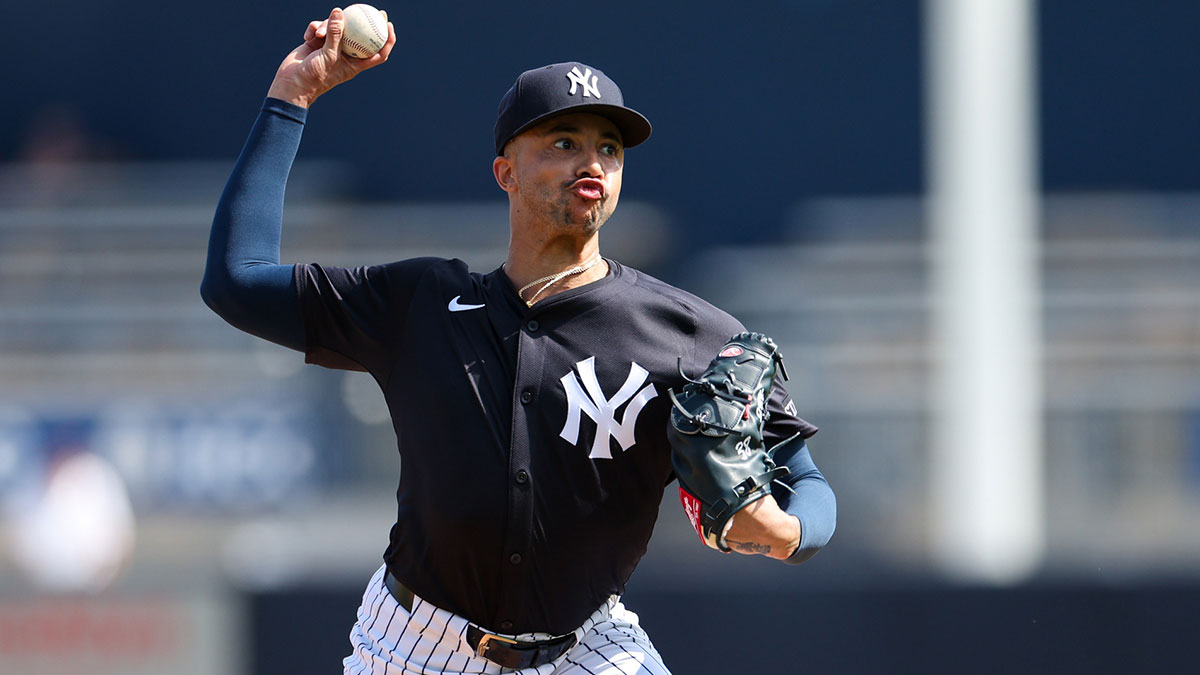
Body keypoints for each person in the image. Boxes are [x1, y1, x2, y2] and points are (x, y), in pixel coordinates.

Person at [201, 8, 836, 674]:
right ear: (505, 171)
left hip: (587, 642)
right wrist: (290, 99)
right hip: (415, 644)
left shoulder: (685, 332)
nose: (591, 159)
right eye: (563, 142)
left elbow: (807, 481)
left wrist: (789, 531)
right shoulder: (419, 304)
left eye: (608, 147)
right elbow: (235, 282)